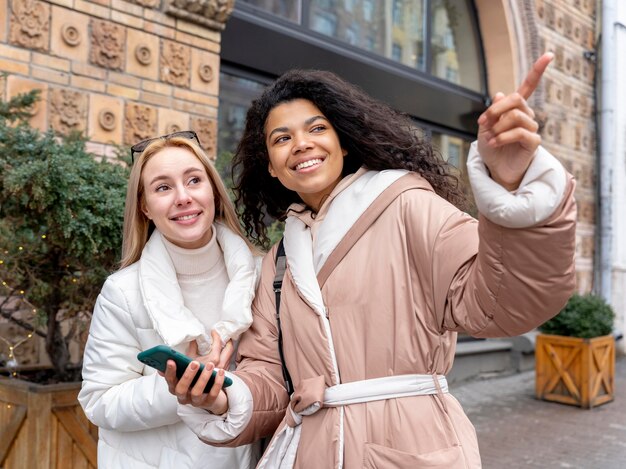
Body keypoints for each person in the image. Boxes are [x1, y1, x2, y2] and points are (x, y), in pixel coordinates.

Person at [168, 53, 576, 468]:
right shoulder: (279, 261)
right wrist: (221, 396)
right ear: (271, 168)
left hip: (411, 446)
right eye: (281, 138)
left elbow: (501, 304)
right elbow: (271, 376)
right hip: (313, 452)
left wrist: (513, 184)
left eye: (316, 128)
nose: (301, 144)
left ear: (343, 142)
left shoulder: (407, 206)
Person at [78, 131, 261, 468]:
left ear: (214, 193)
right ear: (145, 206)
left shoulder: (261, 277)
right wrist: (178, 389)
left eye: (194, 180)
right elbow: (99, 400)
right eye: (163, 187)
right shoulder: (123, 292)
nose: (183, 197)